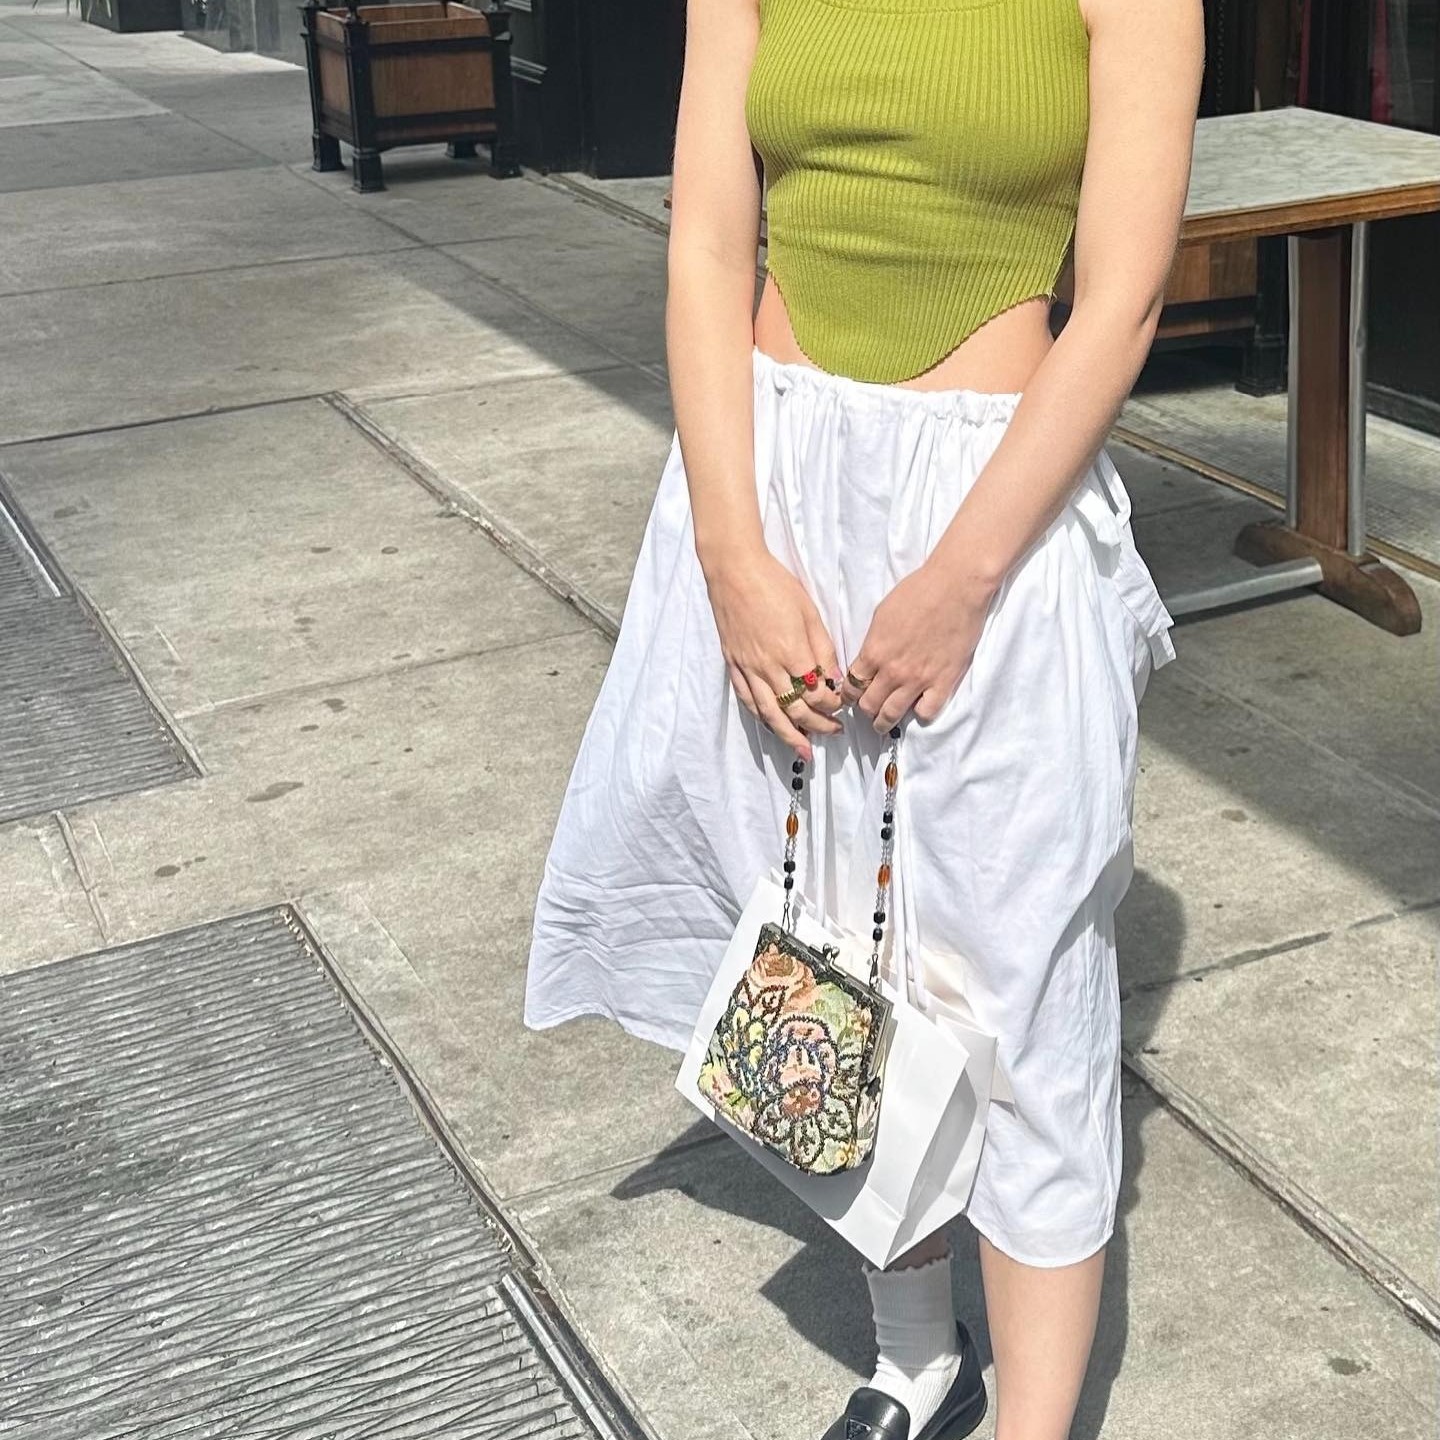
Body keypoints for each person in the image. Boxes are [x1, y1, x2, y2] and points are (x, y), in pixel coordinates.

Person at [525, 0, 1204, 1435]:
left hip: (994, 514)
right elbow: (710, 249)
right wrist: (733, 557)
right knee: (827, 945)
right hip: (773, 492)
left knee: (1021, 991)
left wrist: (959, 580)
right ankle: (915, 1360)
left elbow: (1124, 301)